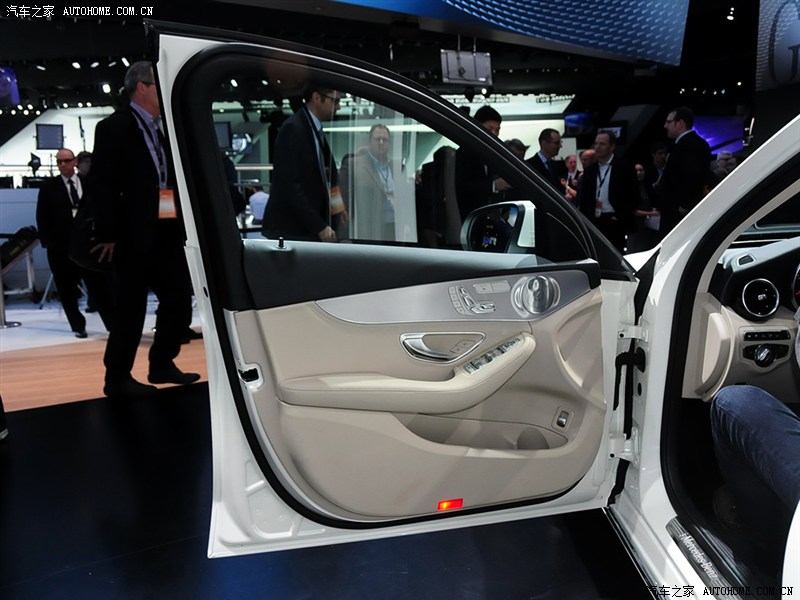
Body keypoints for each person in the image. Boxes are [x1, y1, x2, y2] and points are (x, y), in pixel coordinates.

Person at [90, 61, 199, 398]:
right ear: (141, 88)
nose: (162, 90)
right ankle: (117, 378)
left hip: (164, 231)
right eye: (157, 84)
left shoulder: (157, 128)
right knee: (130, 309)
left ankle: (162, 363)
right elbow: (102, 184)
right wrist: (107, 233)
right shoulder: (115, 127)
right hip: (130, 234)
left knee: (178, 297)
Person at [35, 147, 113, 337]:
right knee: (66, 290)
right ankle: (78, 326)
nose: (63, 165)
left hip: (87, 245)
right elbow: (42, 216)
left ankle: (112, 324)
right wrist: (48, 242)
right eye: (59, 161)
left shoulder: (88, 182)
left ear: (75, 162)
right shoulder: (49, 187)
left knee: (99, 287)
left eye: (67, 161)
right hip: (60, 247)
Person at [261, 84, 344, 242]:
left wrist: (338, 209)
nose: (338, 107)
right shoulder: (293, 128)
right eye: (335, 101)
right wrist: (319, 226)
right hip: (291, 230)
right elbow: (289, 185)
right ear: (317, 98)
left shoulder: (312, 128)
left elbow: (329, 174)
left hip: (306, 227)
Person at [576, 130, 638, 253]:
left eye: (602, 144)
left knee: (616, 254)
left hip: (614, 220)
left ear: (612, 146)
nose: (598, 147)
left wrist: (619, 216)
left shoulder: (625, 167)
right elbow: (583, 199)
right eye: (596, 143)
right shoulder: (590, 170)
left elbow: (634, 196)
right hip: (594, 221)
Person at [657, 106, 711, 237]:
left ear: (680, 123)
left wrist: (686, 204)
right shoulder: (697, 143)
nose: (665, 126)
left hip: (678, 213)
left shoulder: (686, 145)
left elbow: (693, 175)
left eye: (669, 122)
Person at [344, 124, 397, 241]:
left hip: (394, 228)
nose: (381, 143)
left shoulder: (398, 168)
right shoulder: (355, 165)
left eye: (385, 140)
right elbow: (343, 198)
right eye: (377, 139)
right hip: (368, 230)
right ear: (369, 142)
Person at [455, 105, 502, 220]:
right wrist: (494, 186)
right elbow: (462, 187)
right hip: (469, 216)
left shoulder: (492, 154)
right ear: (477, 126)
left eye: (497, 130)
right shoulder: (465, 152)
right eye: (490, 129)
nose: (494, 134)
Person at [626, 163, 660, 252]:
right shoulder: (629, 188)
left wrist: (651, 210)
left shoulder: (643, 187)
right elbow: (632, 211)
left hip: (644, 227)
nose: (639, 173)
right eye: (636, 171)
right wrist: (651, 213)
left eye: (641, 170)